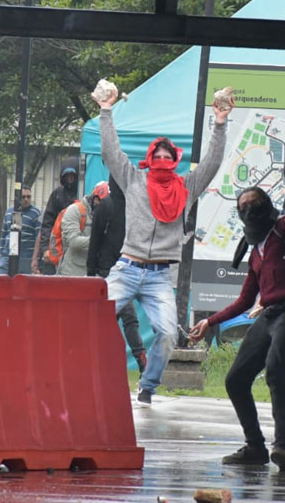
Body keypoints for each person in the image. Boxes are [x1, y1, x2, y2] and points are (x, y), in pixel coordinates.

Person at [98, 82, 230, 405]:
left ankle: (147, 386)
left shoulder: (186, 187)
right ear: (148, 157)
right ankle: (88, 377)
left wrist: (220, 124)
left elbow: (211, 164)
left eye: (166, 155)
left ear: (175, 159)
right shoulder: (133, 179)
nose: (160, 158)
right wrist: (105, 110)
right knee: (92, 317)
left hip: (160, 276)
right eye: (156, 155)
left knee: (169, 333)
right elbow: (110, 152)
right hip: (127, 267)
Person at [189, 187, 285, 472]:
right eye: (243, 206)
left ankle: (283, 446)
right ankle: (255, 447)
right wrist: (210, 321)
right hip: (270, 313)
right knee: (235, 379)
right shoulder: (256, 253)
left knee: (276, 369)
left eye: (254, 203)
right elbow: (244, 300)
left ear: (266, 205)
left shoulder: (283, 227)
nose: (249, 209)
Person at [86, 176, 147, 374]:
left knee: (111, 318)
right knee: (127, 317)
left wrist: (91, 271)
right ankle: (137, 358)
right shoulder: (134, 207)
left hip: (107, 270)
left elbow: (94, 240)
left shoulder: (105, 206)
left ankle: (109, 360)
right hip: (125, 268)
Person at [35, 159, 80, 275]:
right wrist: (45, 249)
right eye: (67, 176)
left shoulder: (82, 194)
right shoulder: (57, 195)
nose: (69, 179)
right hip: (56, 248)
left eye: (72, 176)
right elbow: (47, 223)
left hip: (75, 248)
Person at [56, 181, 109, 276]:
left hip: (97, 272)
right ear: (95, 198)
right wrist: (101, 240)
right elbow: (73, 241)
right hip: (73, 272)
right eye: (102, 202)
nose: (105, 207)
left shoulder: (109, 216)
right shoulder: (75, 211)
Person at [0, 186, 42, 275]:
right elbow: (4, 235)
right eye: (23, 197)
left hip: (26, 257)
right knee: (1, 281)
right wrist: (1, 254)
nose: (26, 199)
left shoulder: (36, 213)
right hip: (8, 255)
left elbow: (39, 237)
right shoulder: (11, 212)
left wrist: (36, 258)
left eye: (28, 197)